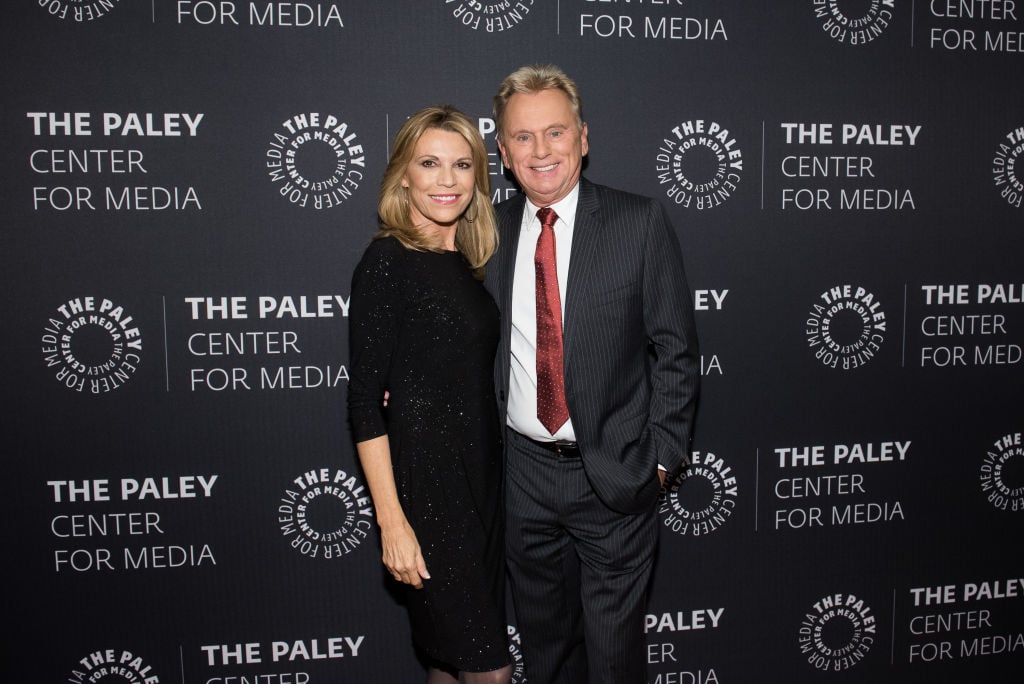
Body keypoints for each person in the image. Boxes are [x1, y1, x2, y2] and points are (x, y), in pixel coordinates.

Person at [486, 65, 700, 683]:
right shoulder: (487, 231)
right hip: (521, 478)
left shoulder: (639, 222)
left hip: (615, 473)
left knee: (612, 660)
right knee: (546, 653)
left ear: (582, 138)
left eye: (555, 132)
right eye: (523, 137)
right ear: (504, 153)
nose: (541, 150)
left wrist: (662, 459)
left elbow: (677, 349)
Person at [348, 105, 512, 684]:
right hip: (429, 494)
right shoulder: (387, 262)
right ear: (403, 177)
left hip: (481, 485)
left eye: (462, 165)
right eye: (429, 163)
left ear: (478, 178)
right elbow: (364, 403)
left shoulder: (466, 264)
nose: (447, 180)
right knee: (489, 670)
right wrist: (392, 522)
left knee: (447, 659)